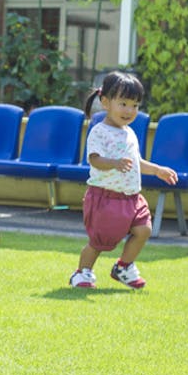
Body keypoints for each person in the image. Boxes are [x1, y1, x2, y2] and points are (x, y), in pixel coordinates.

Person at [69, 71, 178, 290]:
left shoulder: (129, 133)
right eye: (124, 103)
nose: (130, 111)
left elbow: (135, 162)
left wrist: (157, 170)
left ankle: (123, 267)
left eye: (135, 105)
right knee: (100, 242)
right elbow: (95, 160)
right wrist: (114, 162)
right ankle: (82, 273)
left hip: (131, 197)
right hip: (106, 197)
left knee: (144, 229)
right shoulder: (99, 131)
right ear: (106, 102)